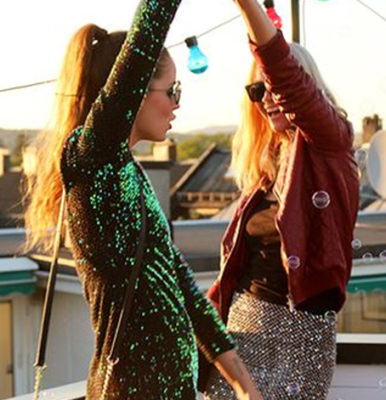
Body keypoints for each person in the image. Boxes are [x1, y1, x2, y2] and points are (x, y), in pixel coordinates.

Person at [23, 1, 262, 399]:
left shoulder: (129, 173)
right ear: (134, 92)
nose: (178, 103)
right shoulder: (91, 158)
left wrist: (243, 382)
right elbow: (146, 36)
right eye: (172, 90)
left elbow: (180, 284)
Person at [202, 0, 359, 398]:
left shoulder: (331, 141)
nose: (268, 98)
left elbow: (286, 77)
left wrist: (246, 6)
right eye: (258, 90)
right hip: (243, 330)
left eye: (275, 87)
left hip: (302, 335)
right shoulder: (268, 172)